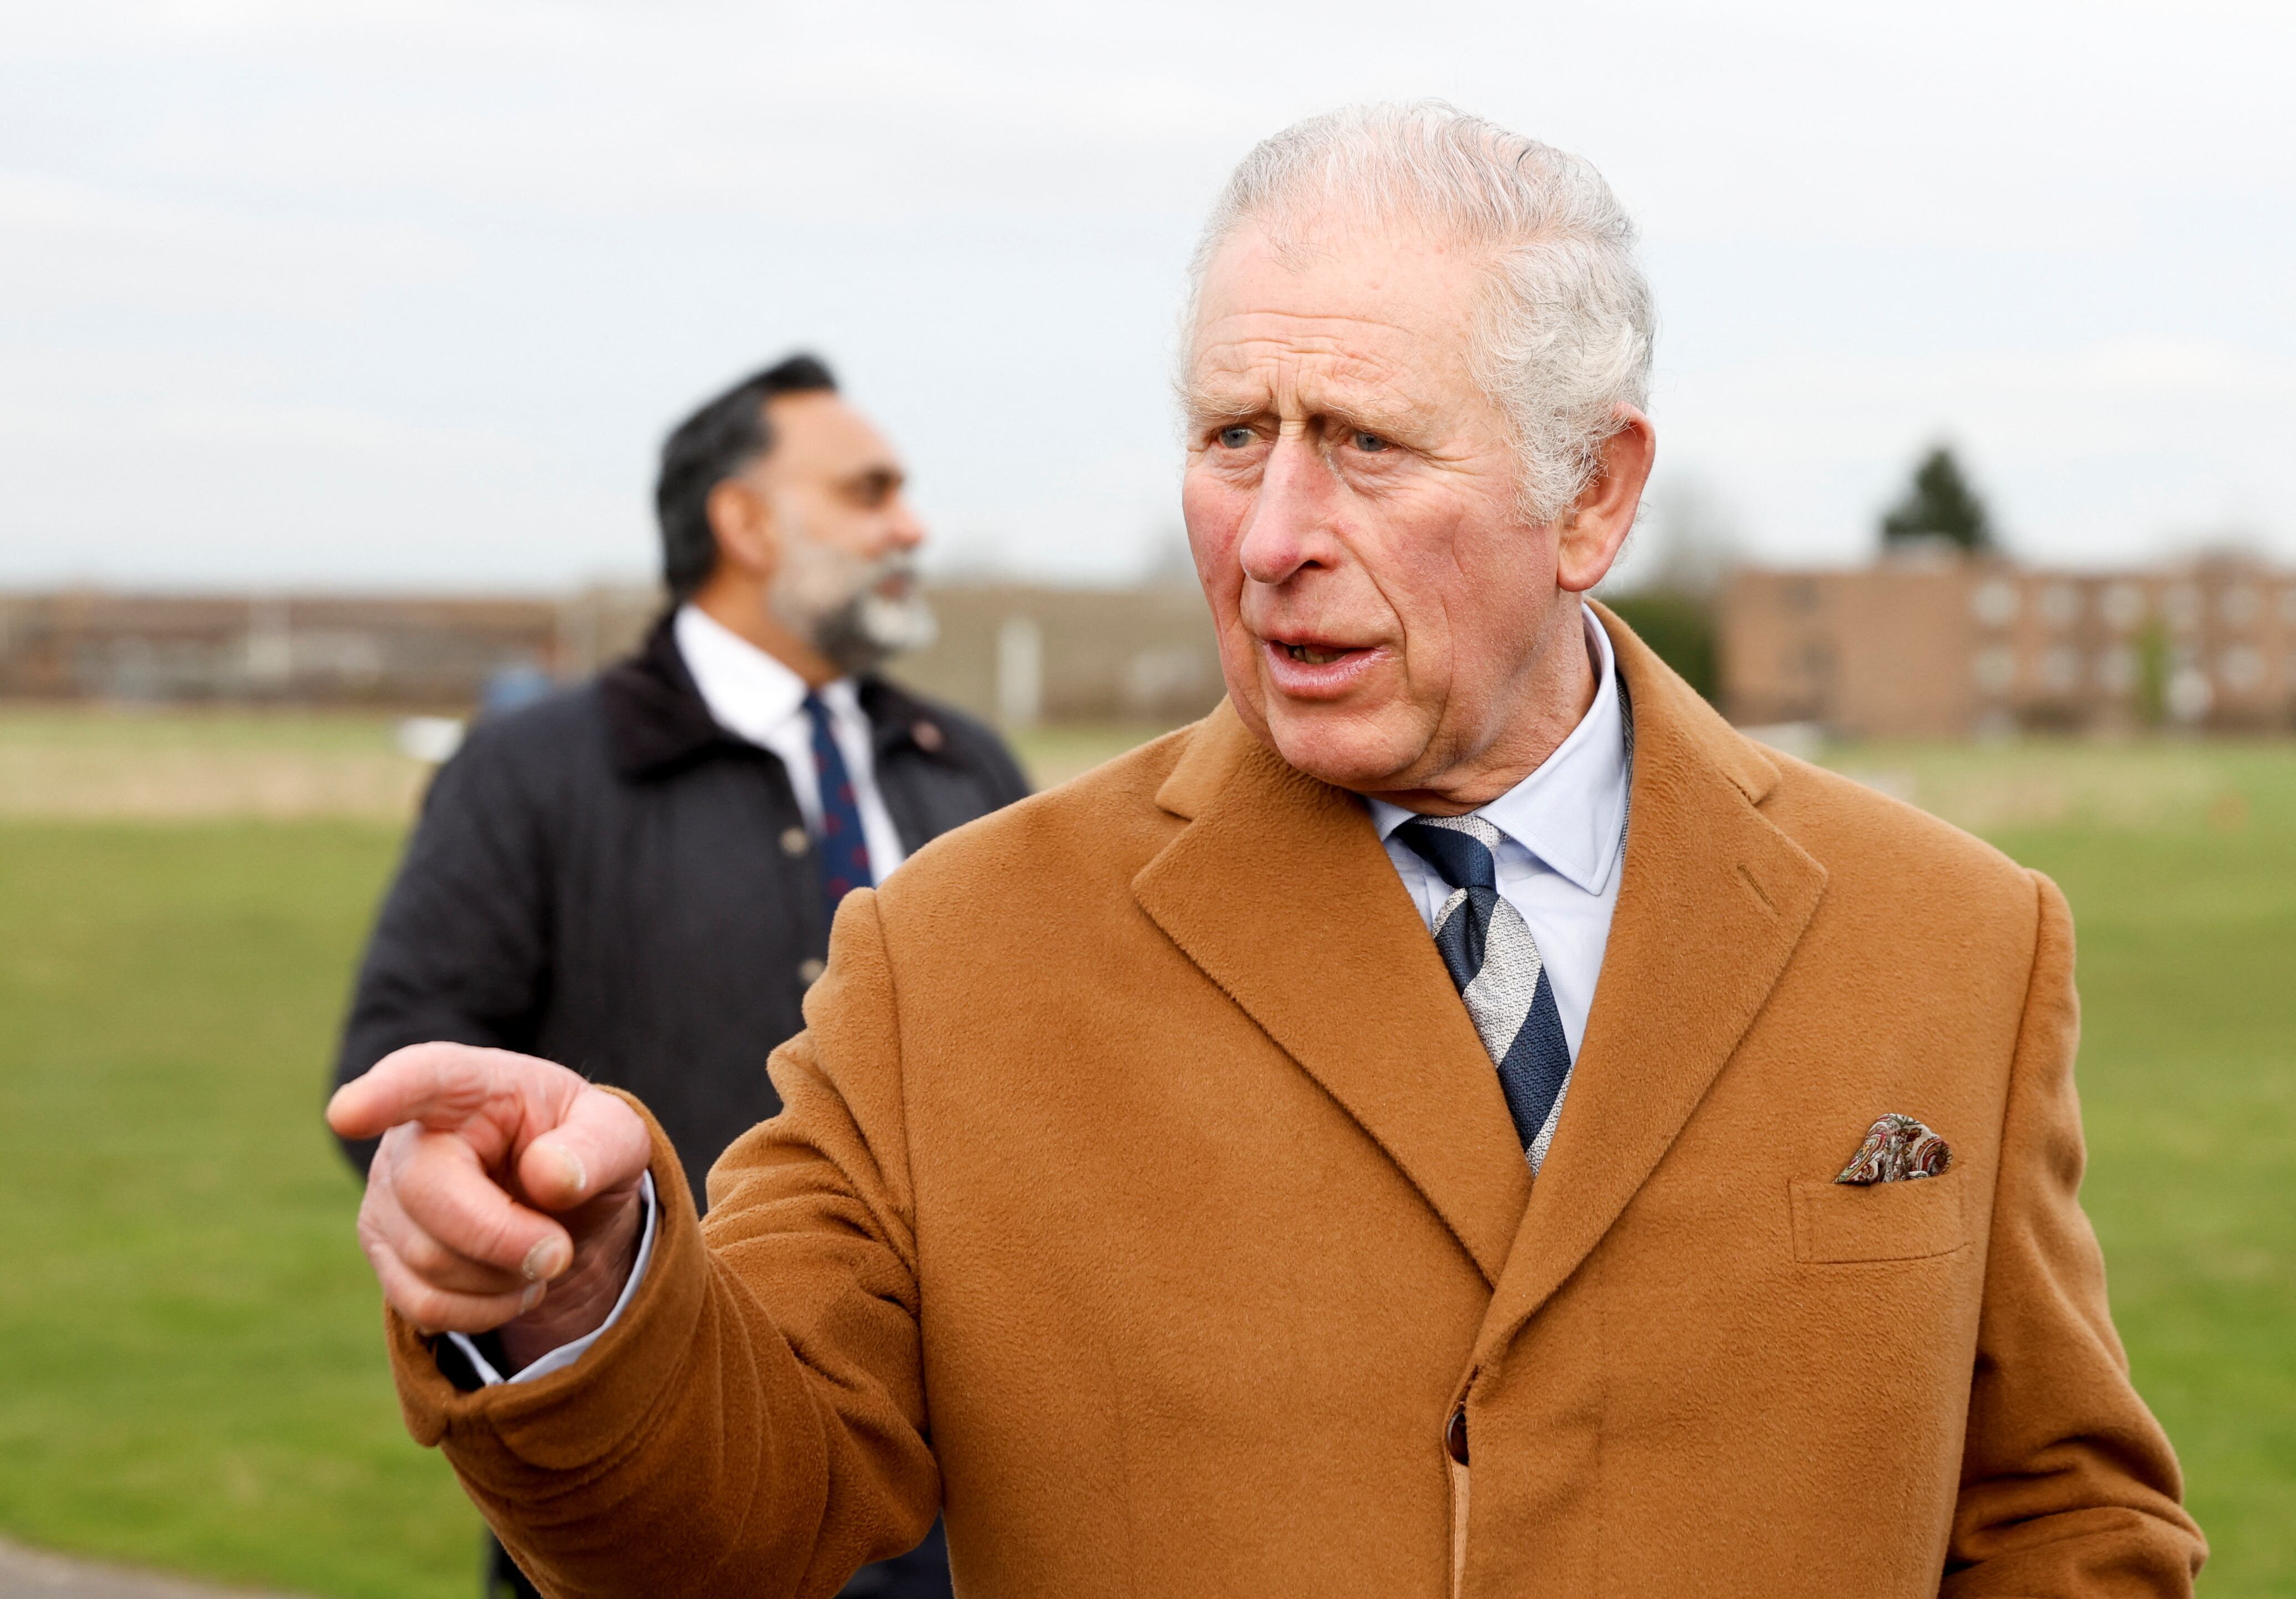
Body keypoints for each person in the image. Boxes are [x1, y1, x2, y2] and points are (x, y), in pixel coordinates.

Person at [328, 106, 2204, 1596]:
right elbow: (739, 1521)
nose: (1272, 530)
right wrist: (585, 1300)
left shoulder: (1950, 938)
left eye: (1367, 443)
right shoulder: (953, 954)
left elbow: (2057, 1511)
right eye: (1236, 433)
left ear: (1594, 495)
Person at [329, 353, 1021, 1598]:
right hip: (658, 1479)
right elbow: (405, 1063)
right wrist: (512, 1218)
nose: (910, 526)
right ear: (744, 523)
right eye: (869, 492)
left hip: (962, 1498)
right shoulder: (531, 771)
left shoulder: (965, 769)